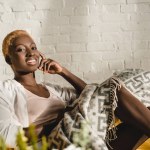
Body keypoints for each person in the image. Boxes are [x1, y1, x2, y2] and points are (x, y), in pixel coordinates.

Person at [0, 30, 150, 150]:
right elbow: (6, 136)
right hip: (55, 143)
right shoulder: (6, 89)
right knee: (112, 87)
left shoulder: (53, 90)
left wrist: (63, 71)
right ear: (8, 59)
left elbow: (93, 95)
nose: (30, 53)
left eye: (33, 48)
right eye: (21, 49)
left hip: (83, 138)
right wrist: (57, 122)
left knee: (142, 110)